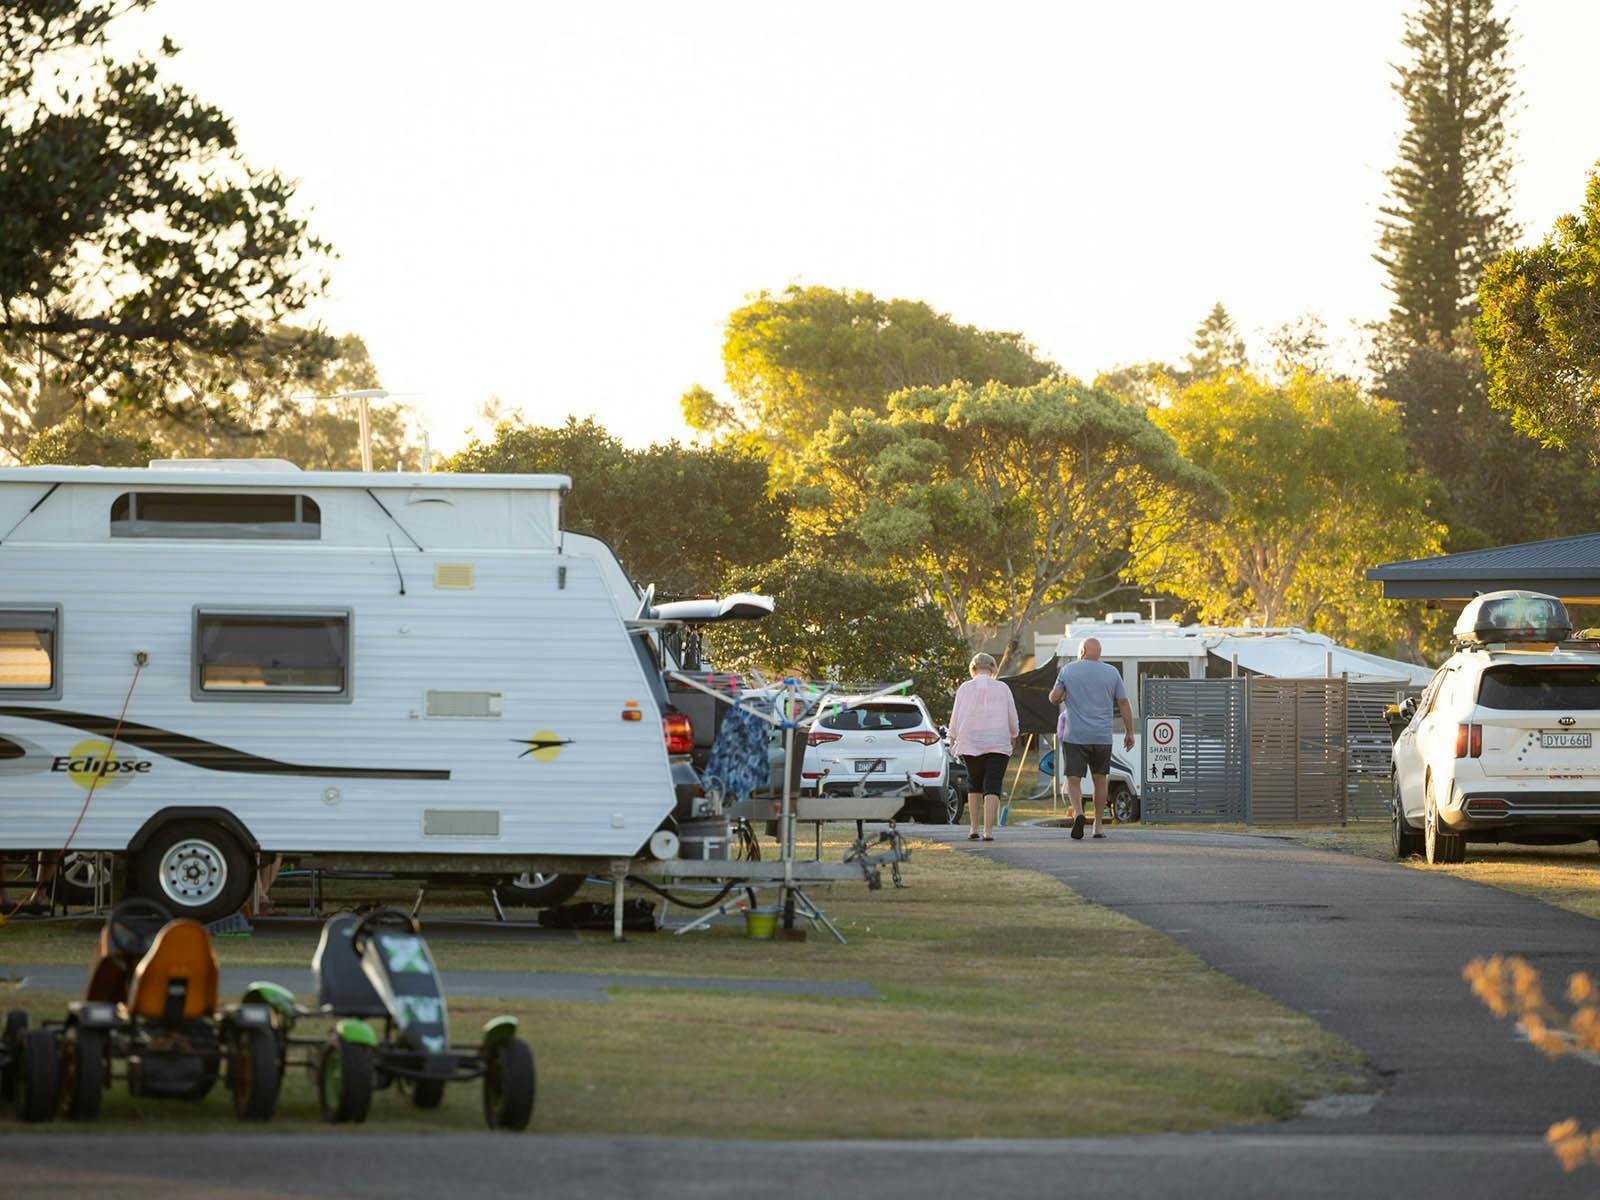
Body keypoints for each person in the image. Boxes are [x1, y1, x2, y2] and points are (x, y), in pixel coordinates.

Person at [1049, 637, 1134, 840]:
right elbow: (1123, 702)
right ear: (1099, 652)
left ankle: (1078, 813)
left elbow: (1054, 697)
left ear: (1083, 651)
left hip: (1075, 735)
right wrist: (1129, 731)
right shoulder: (1112, 672)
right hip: (1102, 737)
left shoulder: (1068, 670)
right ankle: (1097, 825)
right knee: (1100, 780)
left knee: (1073, 779)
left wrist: (1059, 694)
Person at [947, 652, 1019, 841]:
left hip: (971, 741)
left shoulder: (964, 688)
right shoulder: (1003, 688)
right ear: (993, 668)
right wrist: (1014, 734)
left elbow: (956, 715)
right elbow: (1012, 715)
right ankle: (988, 831)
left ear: (973, 668)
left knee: (974, 784)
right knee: (992, 785)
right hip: (998, 741)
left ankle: (973, 828)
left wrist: (953, 737)